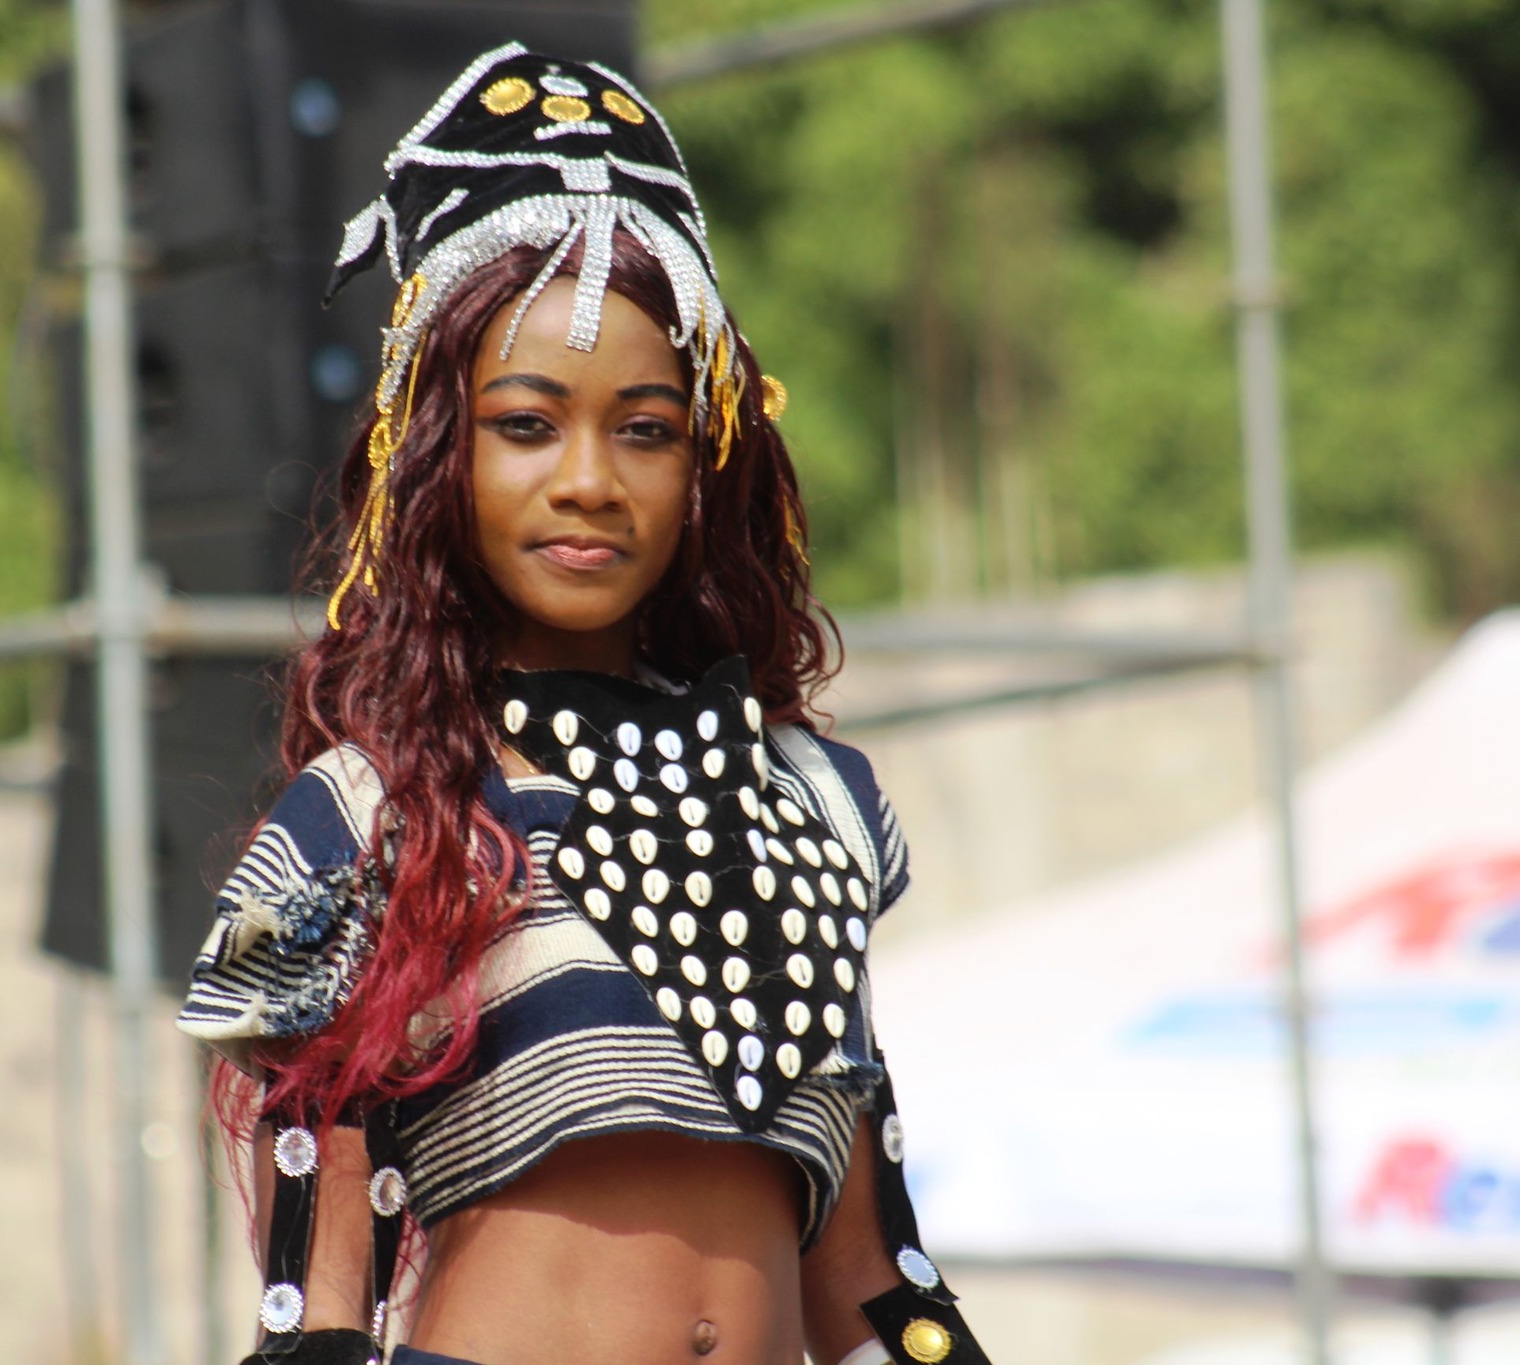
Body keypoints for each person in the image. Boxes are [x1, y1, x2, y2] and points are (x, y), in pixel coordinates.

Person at [177, 44, 992, 1365]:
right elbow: (316, 1309)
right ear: (435, 453)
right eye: (527, 424)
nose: (590, 481)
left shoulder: (812, 803)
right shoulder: (377, 815)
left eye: (646, 429)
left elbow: (867, 1278)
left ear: (706, 459)